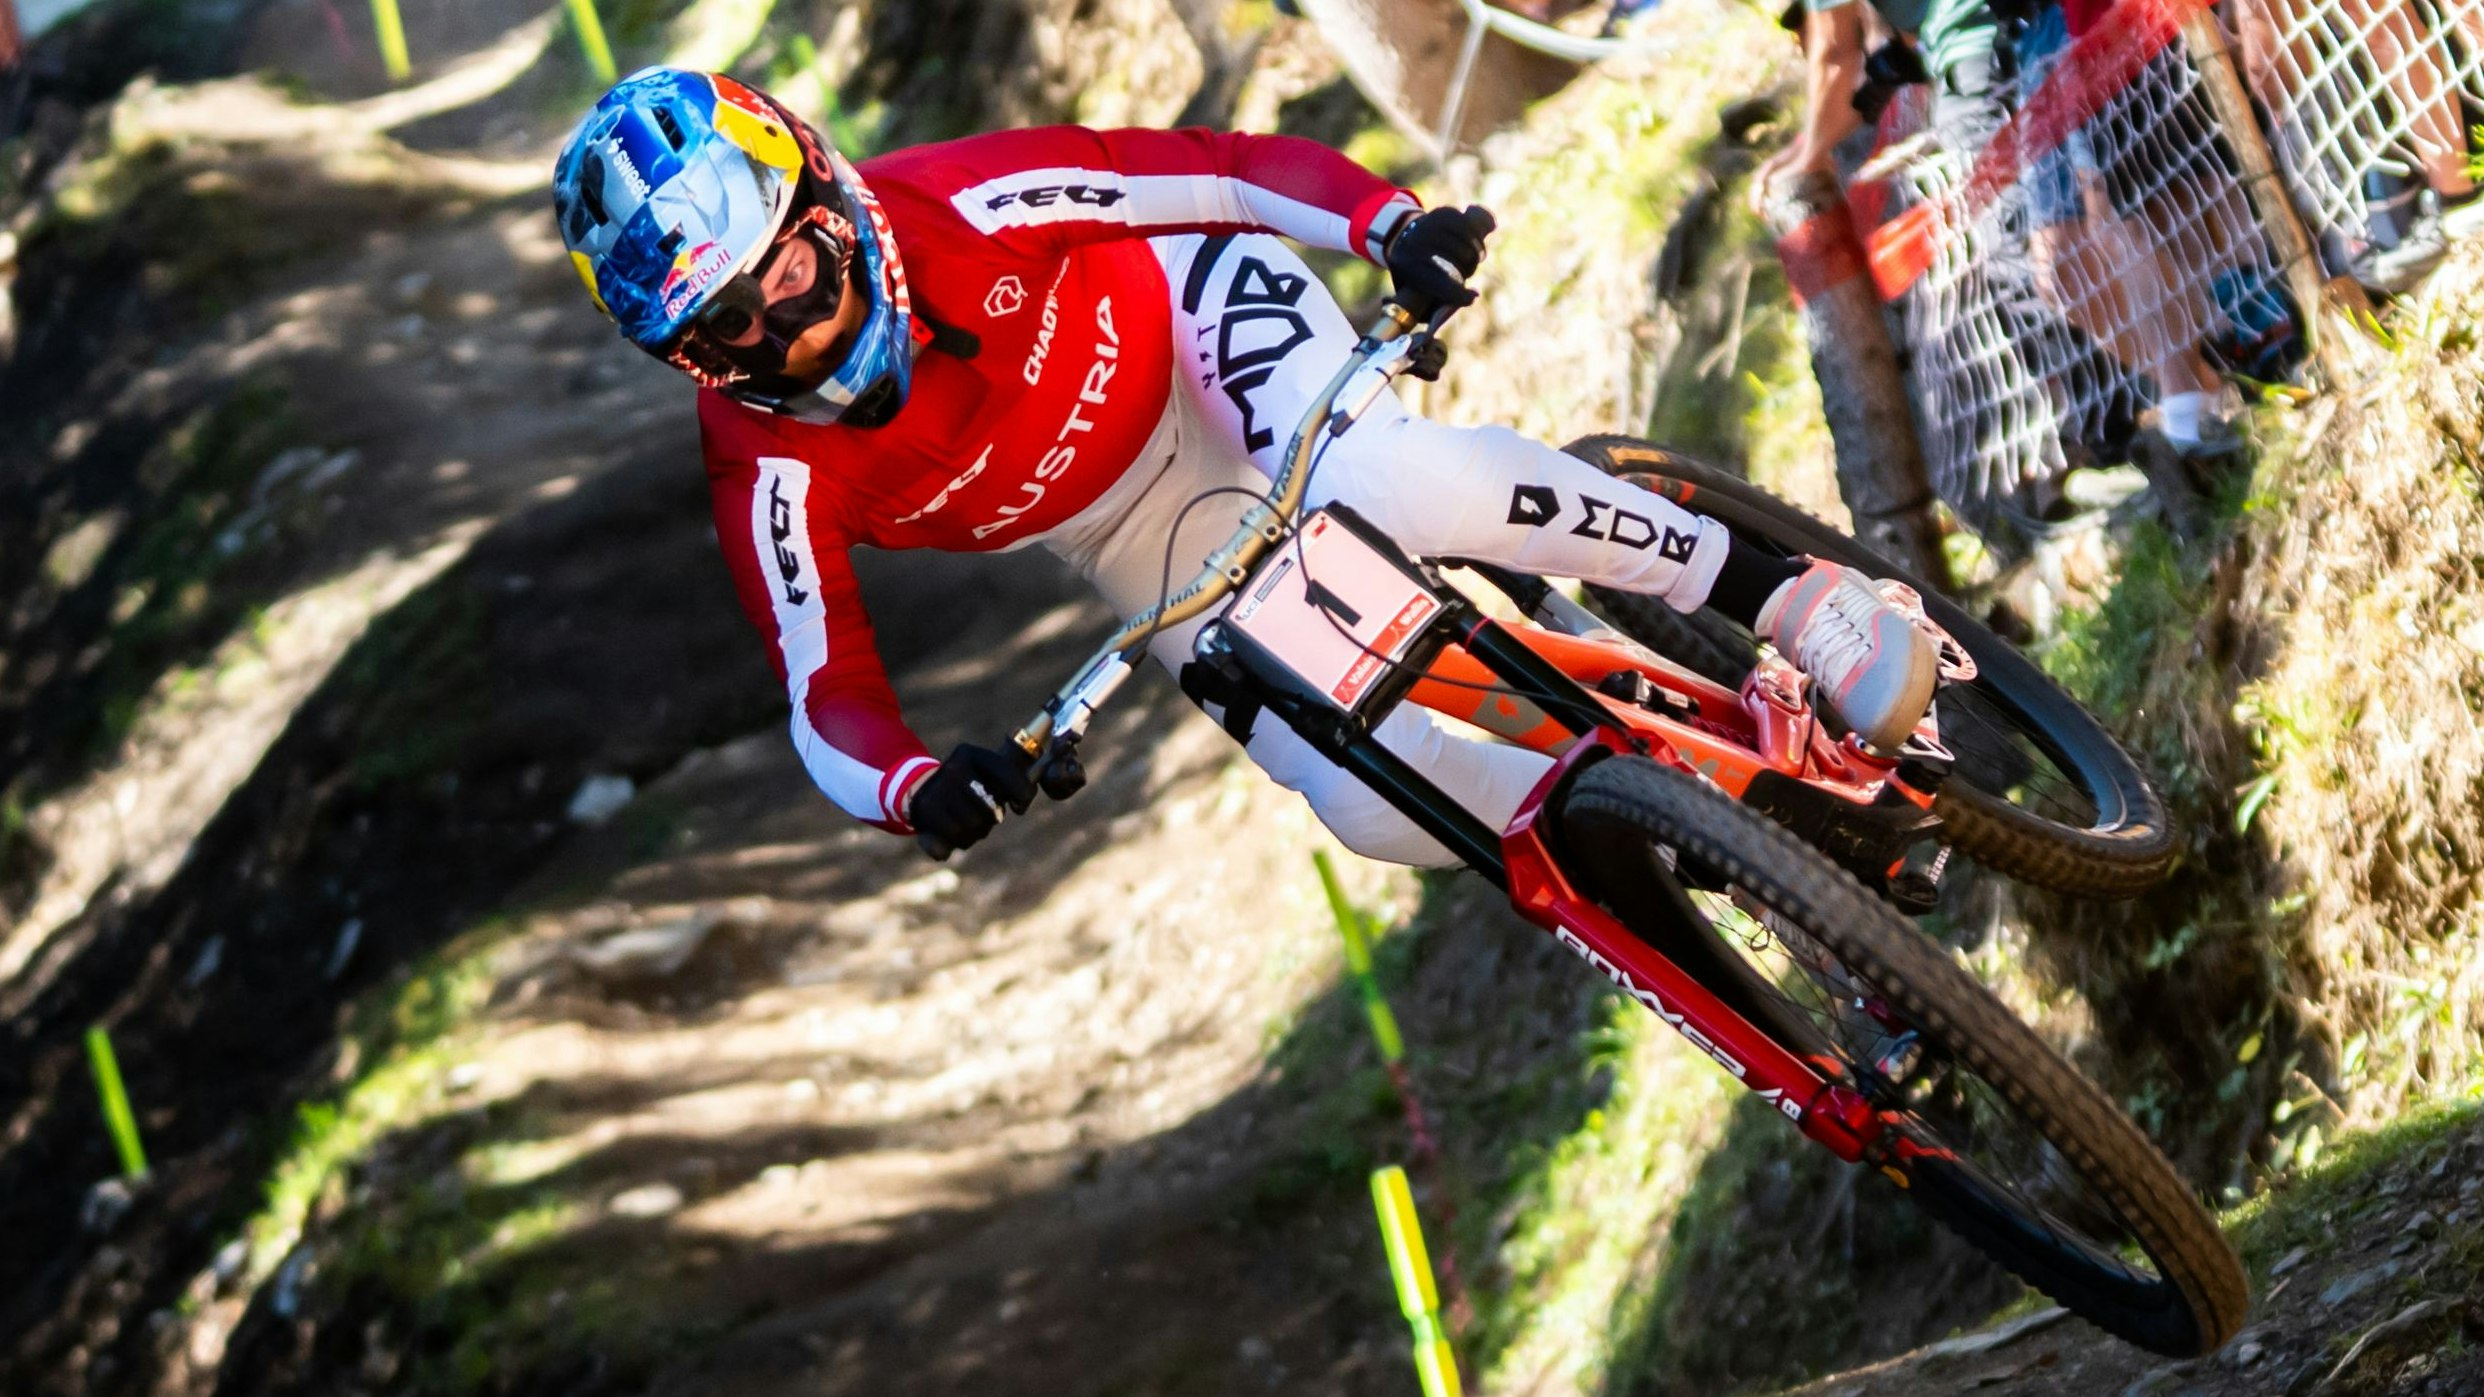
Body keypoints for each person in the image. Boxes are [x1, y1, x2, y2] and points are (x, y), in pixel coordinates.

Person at [550, 68, 1938, 863]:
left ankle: (1785, 593)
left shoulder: (963, 201)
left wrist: (1382, 223)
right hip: (1124, 531)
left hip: (1193, 321)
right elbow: (825, 692)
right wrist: (914, 786)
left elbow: (1211, 169)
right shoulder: (768, 472)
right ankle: (1701, 837)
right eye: (732, 327)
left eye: (788, 272)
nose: (789, 328)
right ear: (694, 358)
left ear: (825, 198)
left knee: (1386, 489)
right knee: (1370, 805)